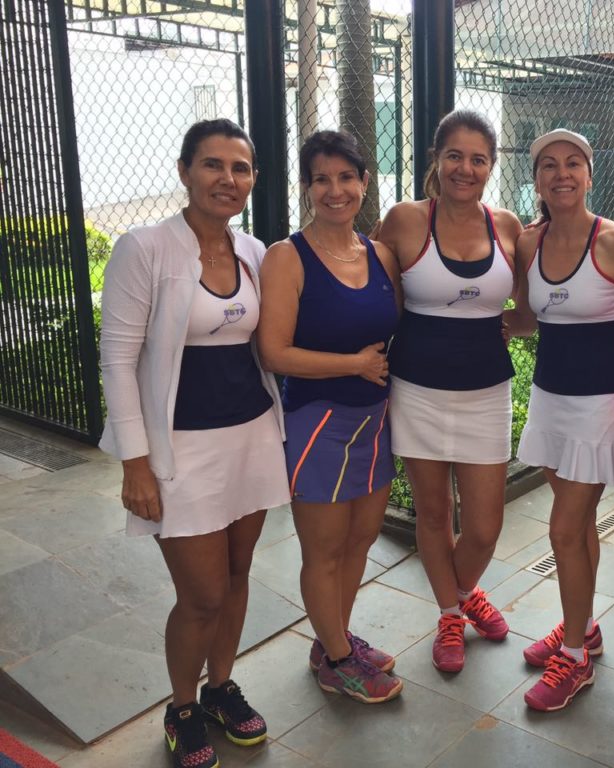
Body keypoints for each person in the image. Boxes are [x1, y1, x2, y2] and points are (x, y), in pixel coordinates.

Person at [99, 119, 291, 768]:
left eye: (241, 168)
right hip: (179, 452)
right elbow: (117, 360)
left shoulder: (255, 252)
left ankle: (220, 688)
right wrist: (136, 464)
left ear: (253, 179)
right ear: (184, 171)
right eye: (213, 164)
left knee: (237, 577)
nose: (227, 179)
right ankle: (182, 706)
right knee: (202, 594)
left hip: (252, 440)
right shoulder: (144, 248)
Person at [505, 129, 614, 711]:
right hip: (549, 400)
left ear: (590, 176)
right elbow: (526, 319)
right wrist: (464, 328)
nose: (561, 174)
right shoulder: (529, 242)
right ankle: (584, 628)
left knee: (565, 531)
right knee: (580, 525)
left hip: (599, 407)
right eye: (548, 165)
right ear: (536, 179)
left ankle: (574, 657)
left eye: (573, 164)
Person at [257, 130, 403, 703]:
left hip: (375, 419)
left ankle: (332, 639)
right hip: (317, 422)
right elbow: (274, 352)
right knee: (323, 551)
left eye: (346, 177)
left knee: (361, 540)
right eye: (322, 179)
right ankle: (339, 661)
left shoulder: (380, 254)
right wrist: (353, 364)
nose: (335, 190)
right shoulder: (286, 257)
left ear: (364, 182)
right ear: (307, 186)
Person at [375, 110, 523, 673]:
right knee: (434, 514)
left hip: (487, 390)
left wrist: (514, 324)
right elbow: (372, 294)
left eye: (478, 159)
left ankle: (462, 594)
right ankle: (450, 615)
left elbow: (531, 306)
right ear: (436, 159)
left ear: (492, 165)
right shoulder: (404, 220)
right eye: (455, 155)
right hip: (417, 388)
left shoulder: (508, 226)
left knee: (484, 526)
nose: (466, 168)